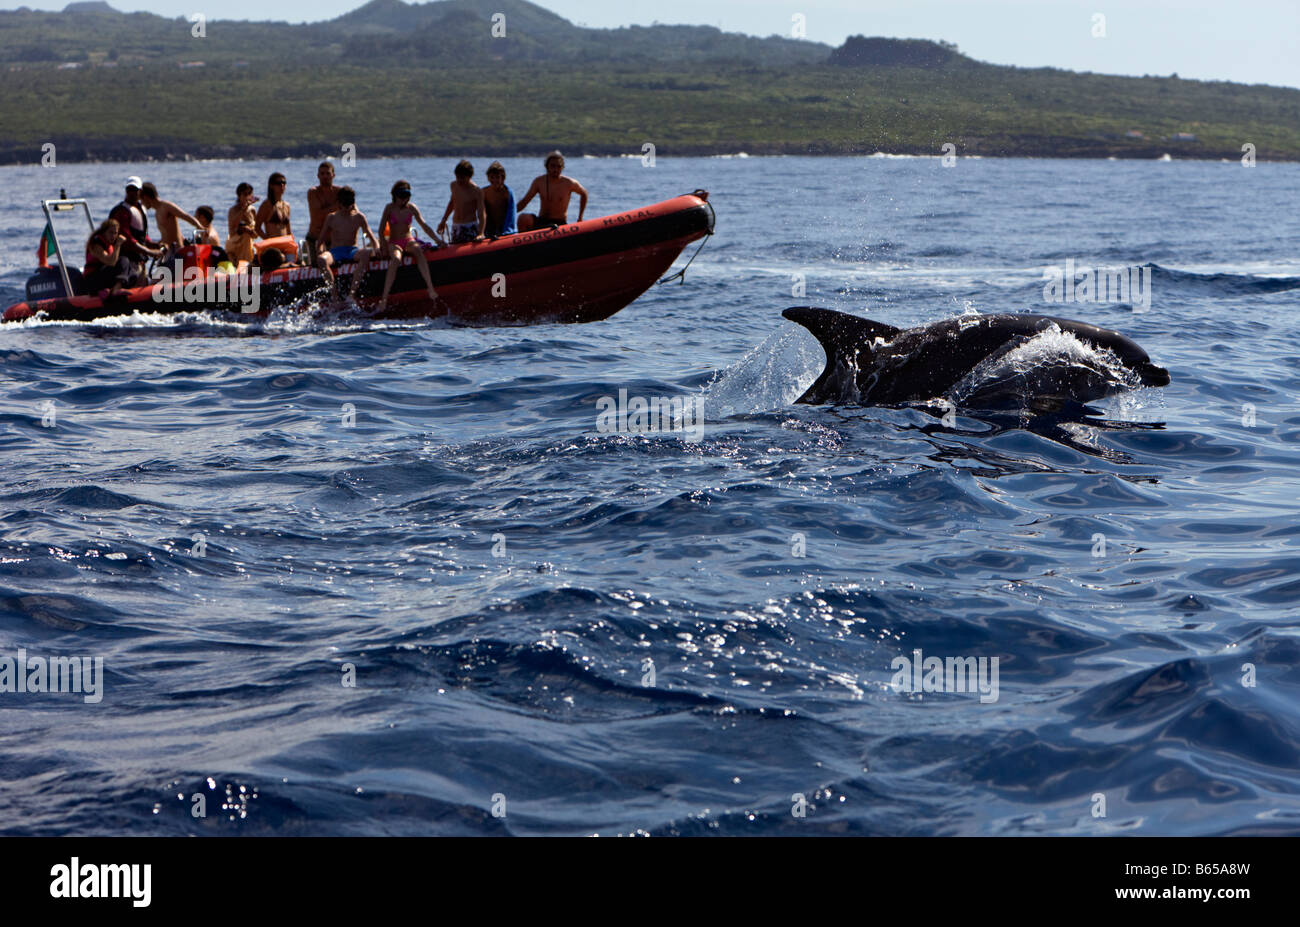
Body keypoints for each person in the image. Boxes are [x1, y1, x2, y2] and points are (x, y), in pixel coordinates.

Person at [376, 180, 443, 311]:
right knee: (395, 259)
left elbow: (424, 226)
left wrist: (438, 240)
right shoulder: (389, 208)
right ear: (395, 195)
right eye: (401, 196)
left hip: (408, 240)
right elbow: (380, 230)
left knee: (418, 251)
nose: (404, 199)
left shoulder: (411, 208)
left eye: (407, 196)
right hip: (394, 242)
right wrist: (383, 247)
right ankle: (384, 298)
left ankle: (430, 288)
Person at [315, 185, 379, 298]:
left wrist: (377, 248)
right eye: (344, 202)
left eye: (349, 202)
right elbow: (320, 240)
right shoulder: (332, 217)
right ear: (339, 203)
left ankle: (352, 294)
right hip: (335, 252)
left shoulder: (359, 217)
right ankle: (334, 296)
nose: (347, 206)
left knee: (366, 254)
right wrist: (319, 251)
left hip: (352, 250)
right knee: (321, 259)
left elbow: (372, 238)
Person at [108, 176, 165, 277]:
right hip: (126, 261)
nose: (132, 193)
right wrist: (149, 251)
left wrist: (155, 245)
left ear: (140, 192)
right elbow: (127, 239)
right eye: (129, 189)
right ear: (126, 191)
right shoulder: (122, 211)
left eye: (135, 190)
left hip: (139, 260)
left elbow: (142, 237)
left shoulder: (141, 209)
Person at [516, 151, 588, 231]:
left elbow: (584, 193)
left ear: (562, 167)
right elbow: (525, 201)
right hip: (542, 221)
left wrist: (580, 218)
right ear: (547, 167)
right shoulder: (539, 182)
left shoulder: (569, 183)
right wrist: (508, 213)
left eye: (559, 166)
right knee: (523, 218)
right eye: (553, 166)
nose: (556, 169)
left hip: (559, 223)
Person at [139, 182, 201, 253]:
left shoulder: (166, 206)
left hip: (178, 252)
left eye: (141, 199)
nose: (141, 203)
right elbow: (167, 234)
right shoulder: (157, 213)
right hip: (168, 252)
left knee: (178, 264)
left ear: (146, 197)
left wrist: (199, 226)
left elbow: (184, 216)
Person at [436, 159, 486, 244]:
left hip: (469, 226)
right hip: (456, 226)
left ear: (469, 176)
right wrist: (444, 220)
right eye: (457, 177)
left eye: (462, 178)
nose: (459, 180)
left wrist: (481, 233)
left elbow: (481, 213)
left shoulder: (476, 191)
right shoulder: (454, 185)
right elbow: (452, 203)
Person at [82, 217, 134, 297]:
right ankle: (115, 290)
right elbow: (111, 262)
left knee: (132, 273)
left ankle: (113, 289)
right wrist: (118, 245)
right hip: (92, 281)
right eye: (110, 232)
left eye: (115, 233)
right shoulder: (96, 245)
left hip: (102, 277)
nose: (113, 236)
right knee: (123, 260)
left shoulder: (109, 244)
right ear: (104, 232)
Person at [305, 161, 340, 260]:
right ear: (318, 176)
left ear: (333, 175)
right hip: (315, 237)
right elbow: (318, 215)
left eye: (328, 173)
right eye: (322, 174)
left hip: (333, 239)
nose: (325, 176)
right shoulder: (313, 192)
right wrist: (338, 205)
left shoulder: (339, 192)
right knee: (316, 267)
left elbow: (352, 209)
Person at [226, 182, 259, 268]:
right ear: (239, 196)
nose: (247, 197)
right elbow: (233, 227)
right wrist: (243, 210)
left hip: (248, 243)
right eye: (245, 194)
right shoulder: (233, 210)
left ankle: (249, 266)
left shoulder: (253, 210)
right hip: (234, 243)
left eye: (249, 194)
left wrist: (250, 231)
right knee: (245, 235)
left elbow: (256, 234)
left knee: (248, 238)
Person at [482, 161, 517, 238]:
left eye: (497, 177)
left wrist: (507, 232)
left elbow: (511, 214)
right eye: (492, 177)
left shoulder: (507, 193)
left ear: (503, 178)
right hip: (489, 230)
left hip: (505, 230)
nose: (494, 180)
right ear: (488, 178)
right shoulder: (484, 192)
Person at [256, 172, 292, 240]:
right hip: (273, 246)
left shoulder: (286, 205)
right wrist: (267, 240)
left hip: (285, 243)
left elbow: (288, 230)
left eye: (284, 183)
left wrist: (292, 243)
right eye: (278, 183)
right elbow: (257, 227)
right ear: (271, 186)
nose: (282, 185)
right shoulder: (266, 205)